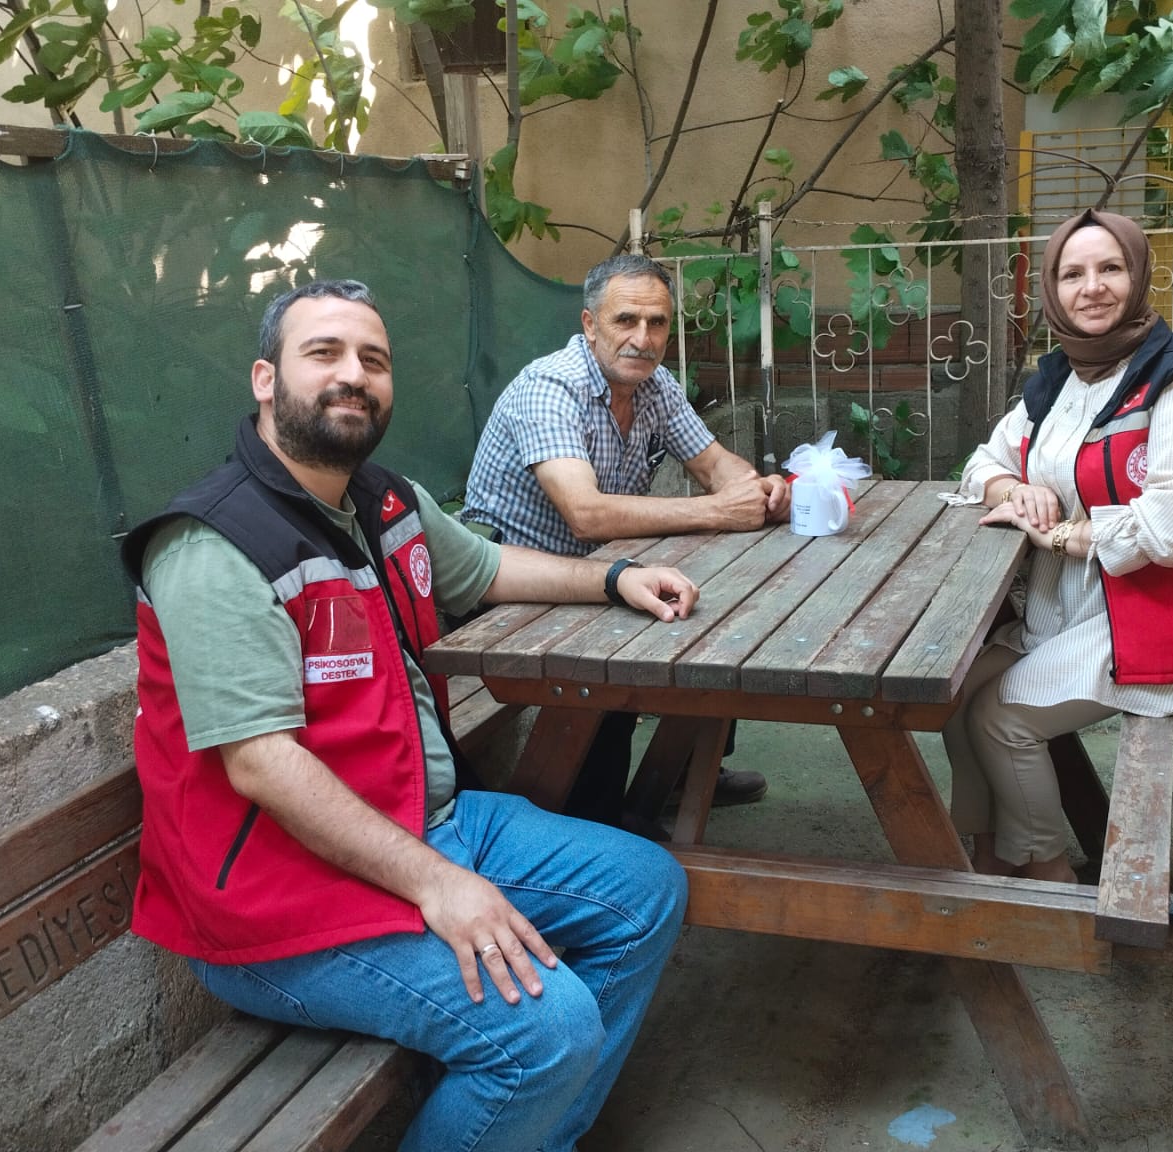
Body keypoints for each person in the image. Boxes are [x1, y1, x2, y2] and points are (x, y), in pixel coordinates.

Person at [120, 280, 697, 1152]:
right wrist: (438, 884)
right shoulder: (215, 545)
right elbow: (262, 763)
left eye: (374, 359)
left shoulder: (381, 499)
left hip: (424, 821)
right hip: (280, 899)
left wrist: (613, 578)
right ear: (265, 380)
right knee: (548, 1031)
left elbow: (486, 569)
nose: (353, 375)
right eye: (324, 353)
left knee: (646, 890)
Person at [946, 210, 1173, 883]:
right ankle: (988, 853)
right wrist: (1013, 488)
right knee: (953, 697)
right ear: (1053, 289)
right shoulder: (1060, 381)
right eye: (1073, 274)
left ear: (1138, 276)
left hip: (1169, 612)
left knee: (1002, 719)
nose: (1091, 287)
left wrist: (1062, 533)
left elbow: (1169, 530)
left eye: (1110, 268)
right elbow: (980, 464)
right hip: (1071, 606)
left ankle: (1047, 870)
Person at [462, 253, 788, 828]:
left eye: (657, 323)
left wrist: (758, 490)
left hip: (599, 568)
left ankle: (686, 771)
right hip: (511, 589)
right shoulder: (550, 388)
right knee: (613, 664)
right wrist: (716, 510)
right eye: (626, 320)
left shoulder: (653, 384)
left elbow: (715, 465)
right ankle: (601, 822)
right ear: (590, 325)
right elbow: (585, 515)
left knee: (713, 607)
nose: (643, 338)